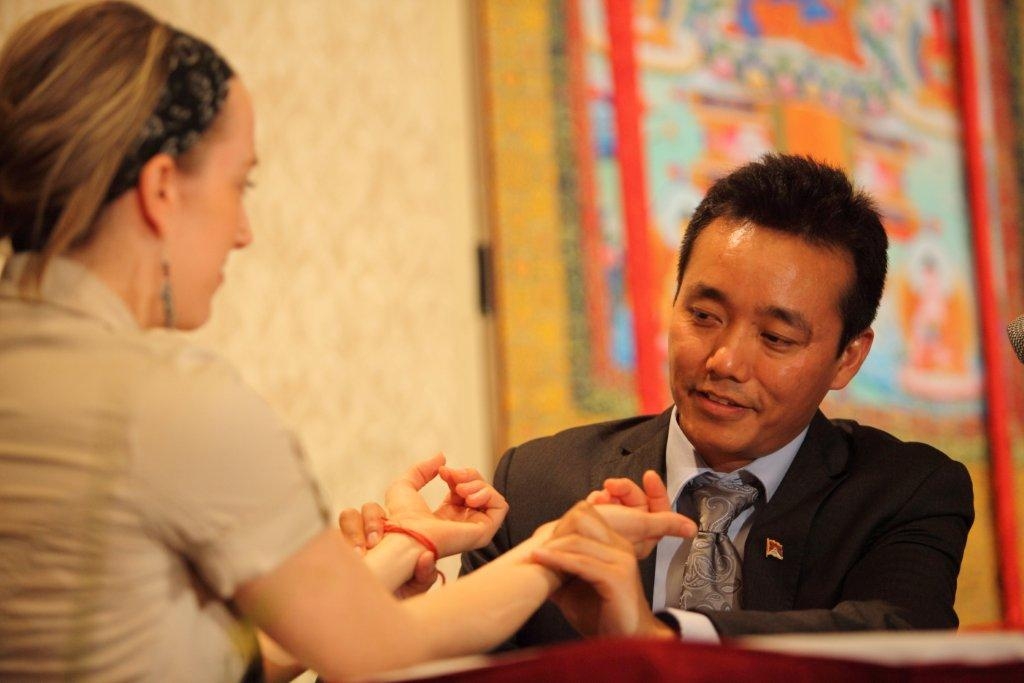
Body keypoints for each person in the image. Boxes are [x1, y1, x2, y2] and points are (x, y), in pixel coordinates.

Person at [0, 3, 695, 681]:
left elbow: (220, 654)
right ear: (160, 188)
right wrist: (560, 547)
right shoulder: (171, 402)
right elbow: (375, 648)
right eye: (240, 185)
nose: (243, 230)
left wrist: (408, 543)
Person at [462, 153, 975, 645]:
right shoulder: (533, 486)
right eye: (703, 316)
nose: (725, 362)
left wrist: (663, 639)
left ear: (848, 357)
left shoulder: (906, 492)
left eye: (776, 338)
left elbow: (896, 640)